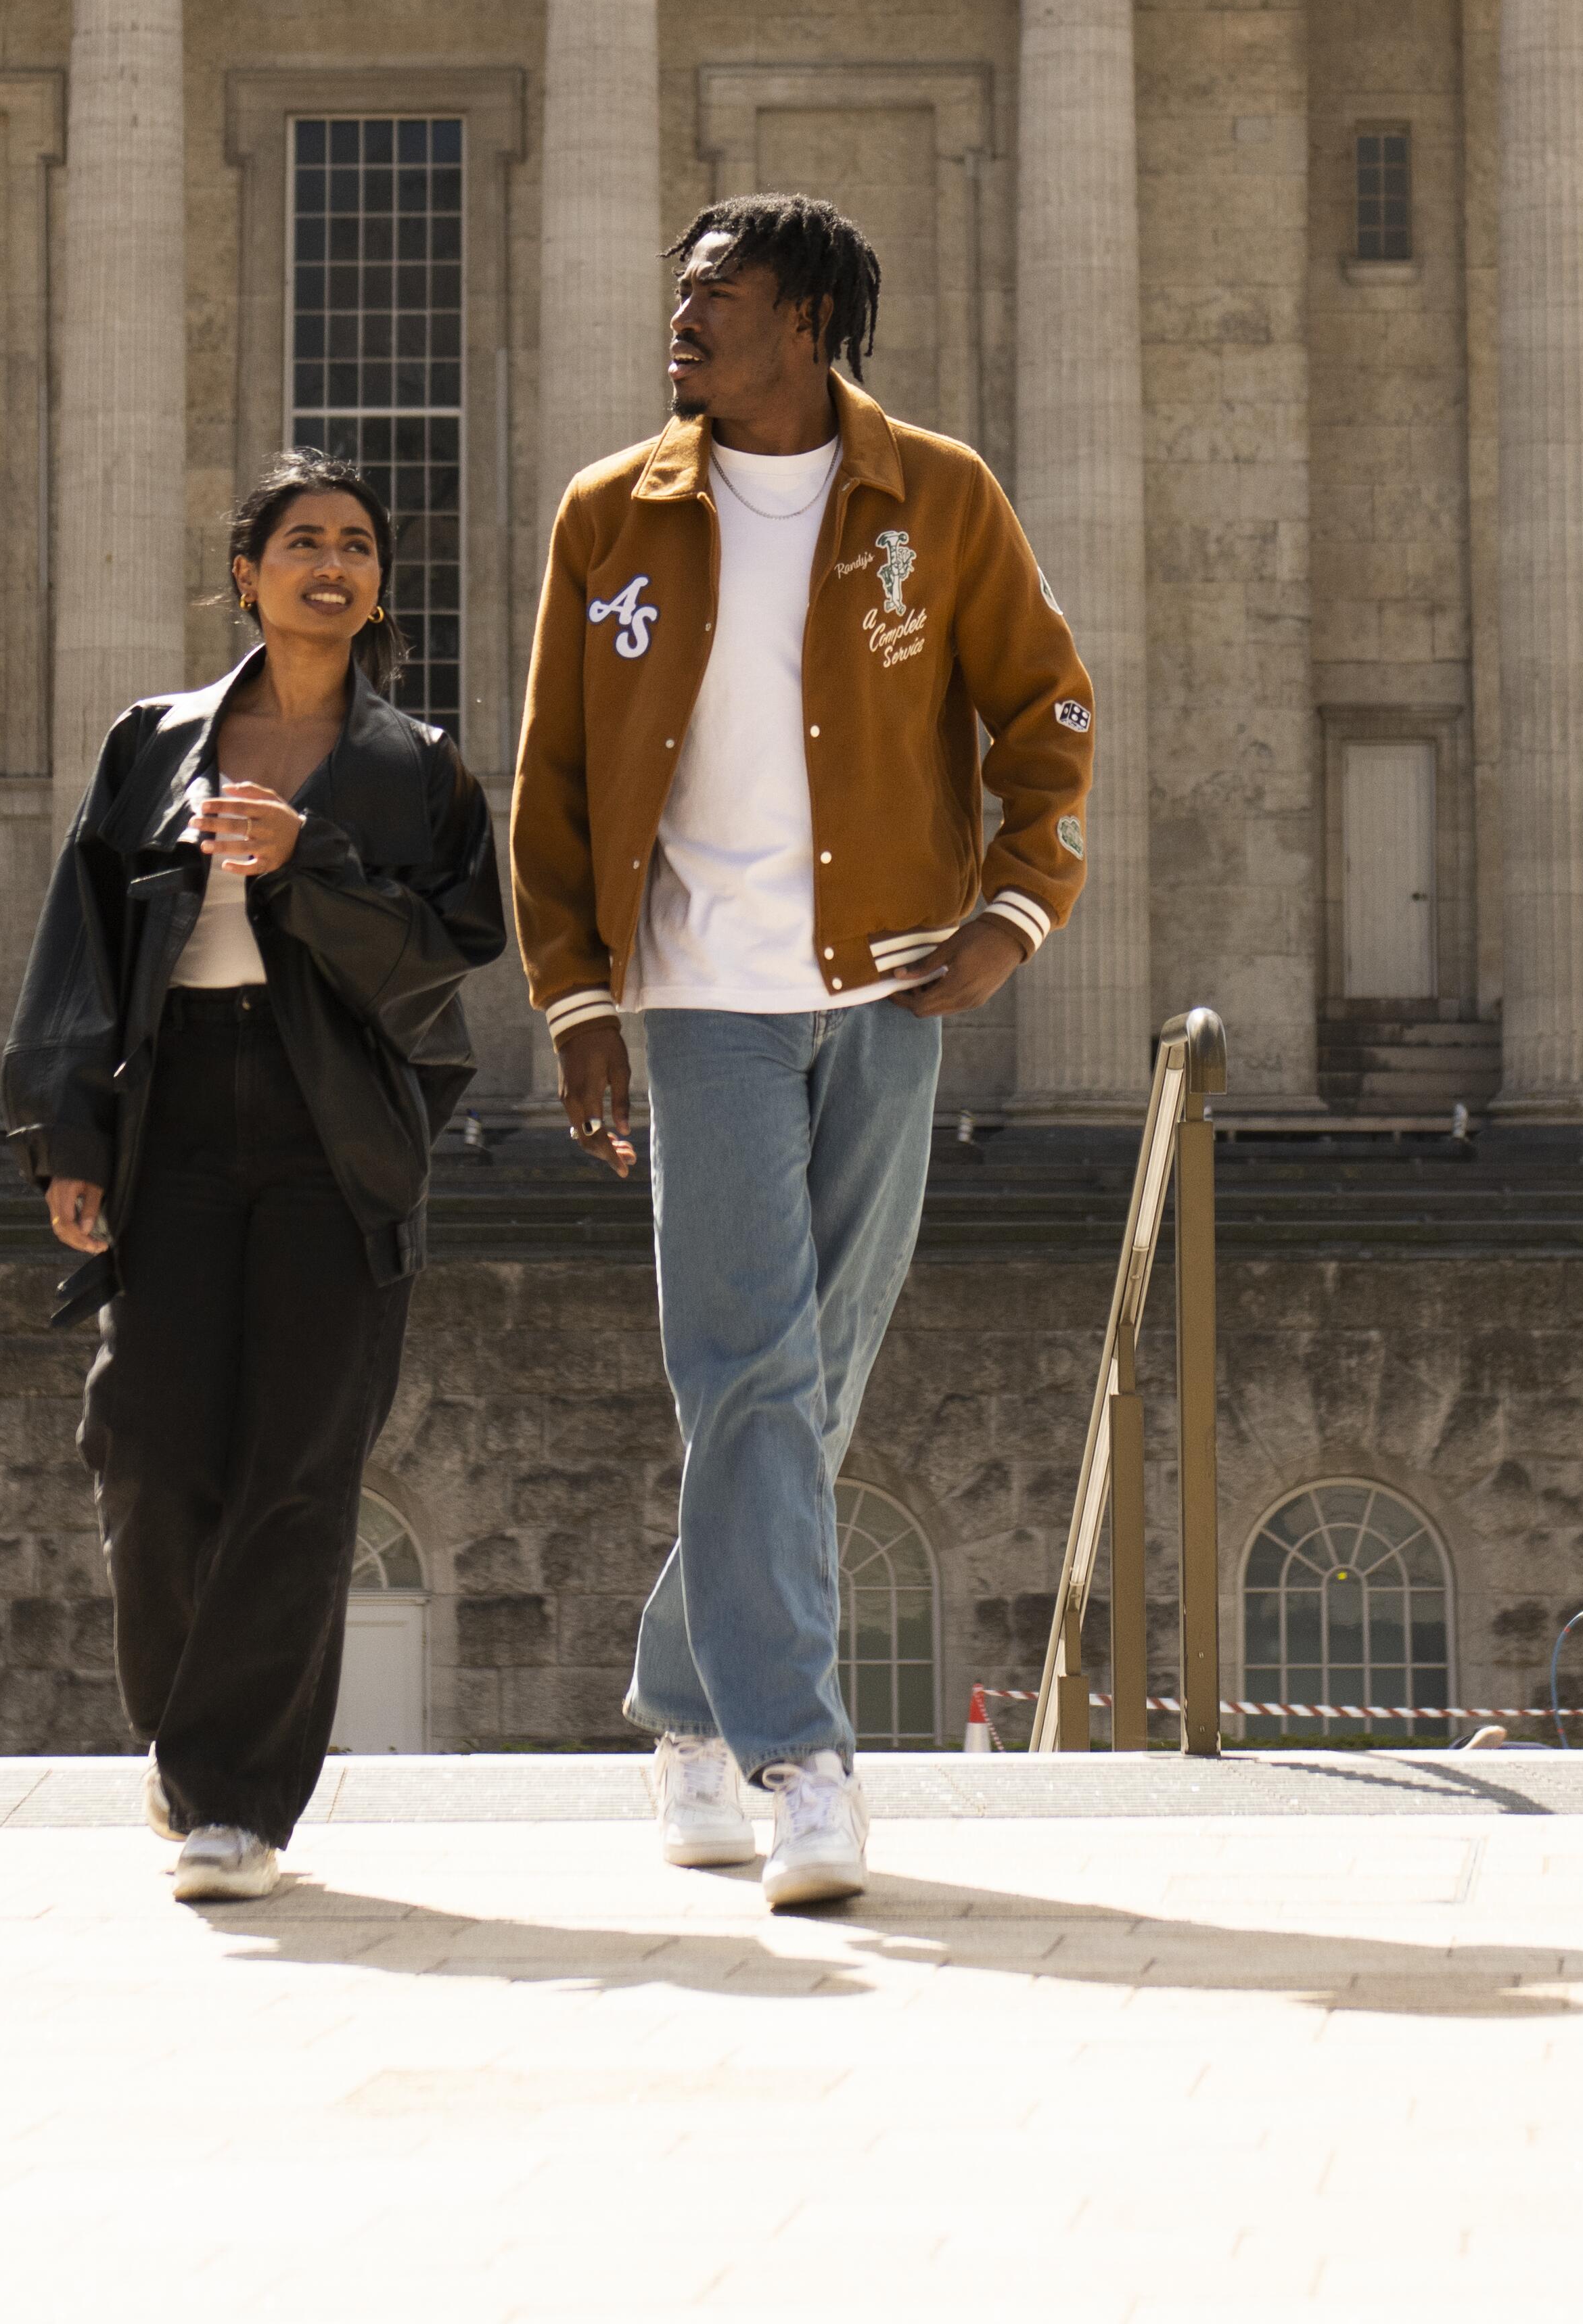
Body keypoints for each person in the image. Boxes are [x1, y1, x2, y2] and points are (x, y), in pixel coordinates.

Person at [510, 194, 1096, 1912]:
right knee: (746, 1362)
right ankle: (802, 1761)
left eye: (724, 295)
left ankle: (685, 1700)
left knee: (820, 1361)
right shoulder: (609, 516)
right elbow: (550, 782)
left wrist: (1015, 911)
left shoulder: (939, 494)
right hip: (699, 998)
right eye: (681, 289)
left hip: (890, 987)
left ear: (812, 320)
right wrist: (577, 1005)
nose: (683, 319)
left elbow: (1045, 712)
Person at [0, 452, 503, 1903]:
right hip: (173, 1116)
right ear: (248, 573)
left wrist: (306, 863)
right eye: (302, 542)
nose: (330, 563)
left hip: (330, 1128)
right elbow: (78, 949)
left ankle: (234, 1801)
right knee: (148, 1447)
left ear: (379, 587)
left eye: (356, 544)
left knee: (299, 1467)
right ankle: (186, 1737)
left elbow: (446, 958)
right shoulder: (150, 742)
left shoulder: (417, 768)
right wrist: (66, 1141)